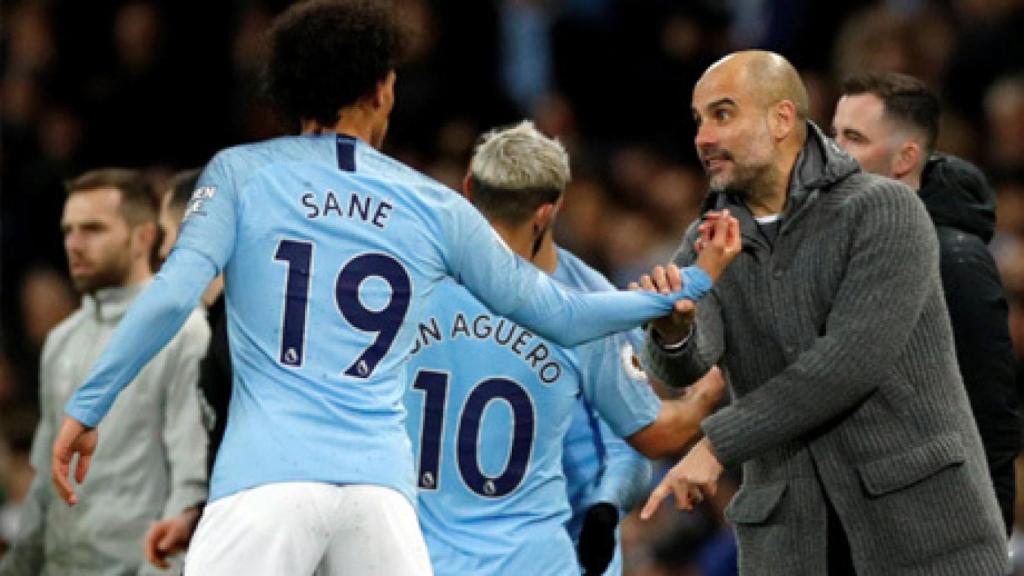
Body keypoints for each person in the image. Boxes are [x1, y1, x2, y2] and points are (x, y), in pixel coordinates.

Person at [49, 2, 735, 574]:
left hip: (267, 478)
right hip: (380, 498)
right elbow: (557, 310)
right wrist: (692, 282)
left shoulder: (238, 174)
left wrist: (88, 406)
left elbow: (170, 298)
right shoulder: (429, 205)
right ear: (380, 89)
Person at [637, 50, 1008, 575]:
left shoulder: (882, 209)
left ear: (782, 118)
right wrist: (673, 331)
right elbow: (684, 367)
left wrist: (718, 444)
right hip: (792, 547)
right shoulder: (708, 239)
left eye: (722, 114)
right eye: (698, 121)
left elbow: (849, 362)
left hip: (924, 535)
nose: (703, 138)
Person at [404, 121, 733, 576]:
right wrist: (705, 395)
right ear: (552, 208)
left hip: (422, 557)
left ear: (467, 190)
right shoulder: (588, 309)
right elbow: (647, 437)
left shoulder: (414, 288)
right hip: (543, 557)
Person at [831, 70, 1019, 535]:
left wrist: (983, 544)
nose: (832, 154)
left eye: (853, 138)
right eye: (833, 135)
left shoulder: (954, 261)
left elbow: (989, 418)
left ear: (905, 158)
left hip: (935, 532)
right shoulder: (840, 251)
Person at [0, 169, 209, 576]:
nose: (74, 245)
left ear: (144, 237)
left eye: (93, 229)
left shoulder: (184, 332)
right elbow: (45, 483)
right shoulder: (61, 339)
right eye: (69, 230)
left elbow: (191, 478)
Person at [143, 169, 231, 569]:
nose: (162, 251)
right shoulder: (219, 328)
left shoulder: (241, 339)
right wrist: (197, 518)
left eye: (168, 232)